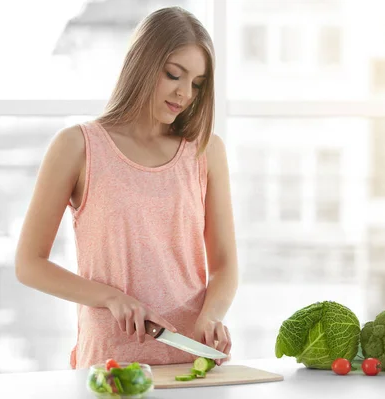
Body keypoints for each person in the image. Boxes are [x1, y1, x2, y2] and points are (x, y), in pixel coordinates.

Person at [15, 6, 238, 369]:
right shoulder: (77, 146)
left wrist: (212, 315)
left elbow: (225, 265)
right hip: (110, 363)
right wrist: (110, 298)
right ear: (143, 63)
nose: (184, 93)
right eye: (173, 75)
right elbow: (29, 264)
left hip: (191, 361)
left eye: (196, 84)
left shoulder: (206, 151)